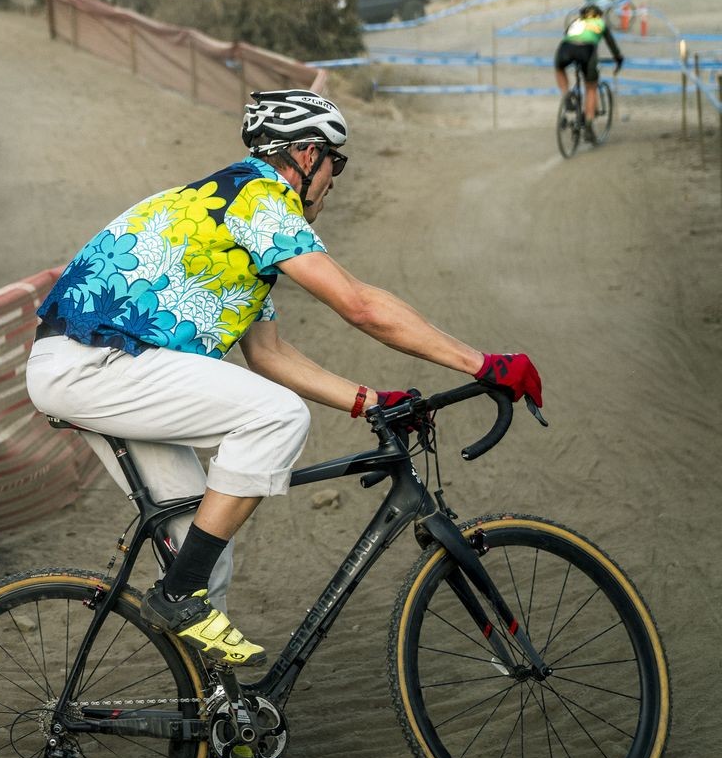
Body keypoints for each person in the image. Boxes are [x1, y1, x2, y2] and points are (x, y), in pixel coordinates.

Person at [26, 89, 543, 675]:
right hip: (97, 362)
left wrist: (372, 401)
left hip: (99, 364)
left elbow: (268, 353)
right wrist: (484, 364)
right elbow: (359, 305)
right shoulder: (261, 199)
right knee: (277, 416)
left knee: (203, 550)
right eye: (335, 163)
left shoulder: (232, 211)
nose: (334, 179)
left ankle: (213, 718)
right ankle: (176, 596)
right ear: (303, 154)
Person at [555, 3, 624, 143]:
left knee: (559, 68)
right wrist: (618, 59)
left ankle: (566, 95)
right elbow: (612, 45)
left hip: (566, 47)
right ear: (598, 15)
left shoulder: (576, 22)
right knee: (591, 88)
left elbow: (567, 35)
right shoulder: (600, 23)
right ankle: (588, 125)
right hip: (587, 50)